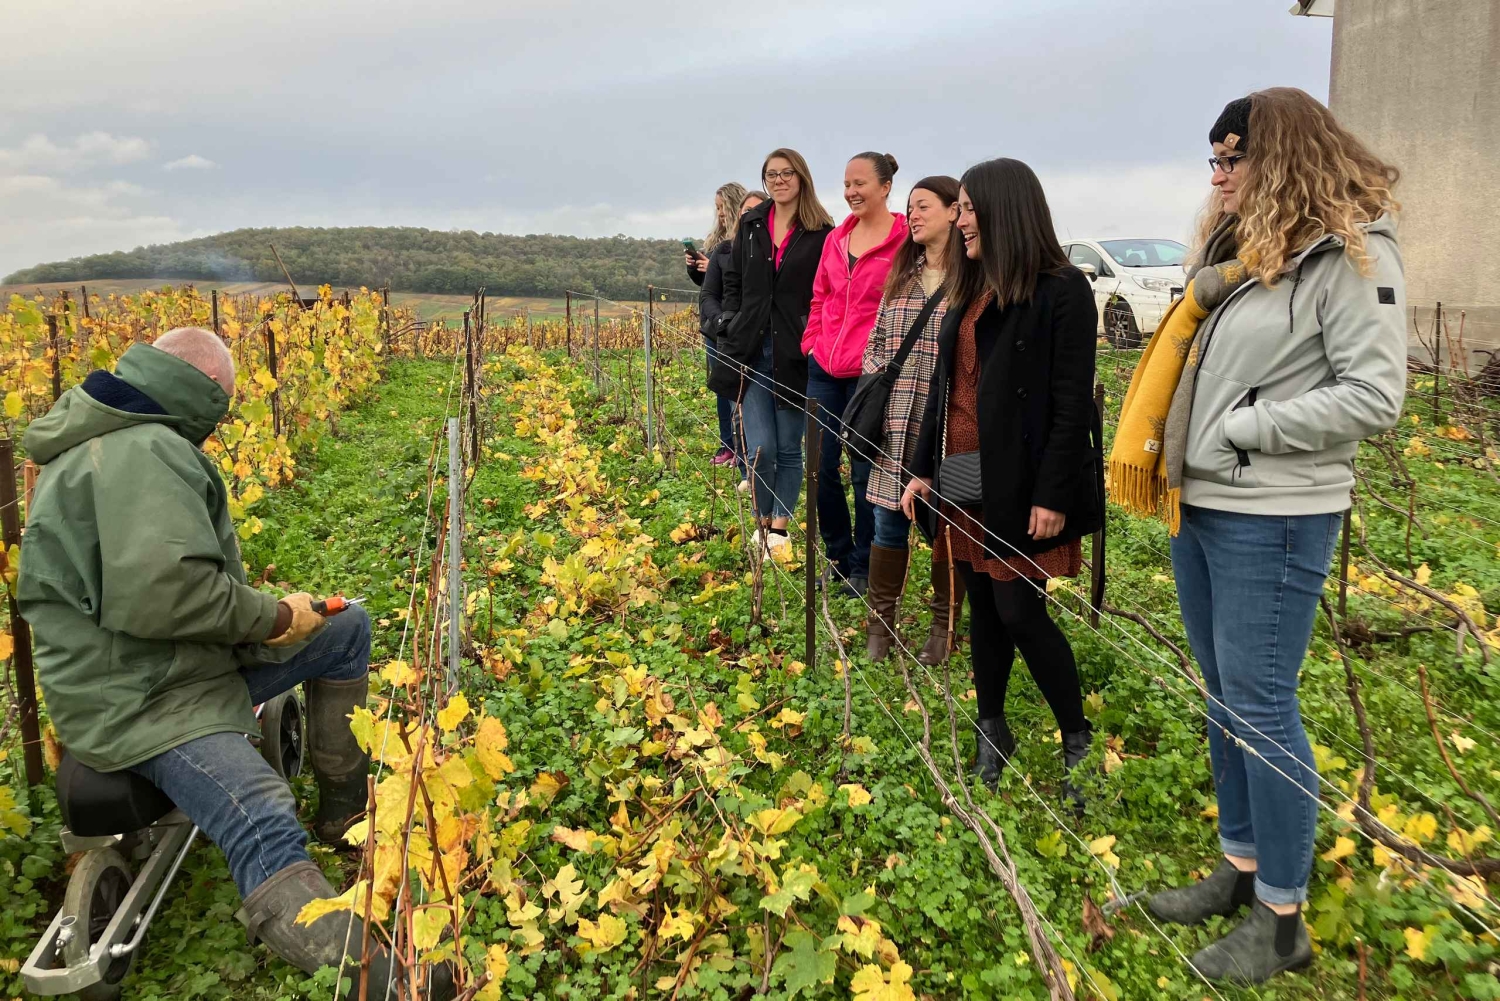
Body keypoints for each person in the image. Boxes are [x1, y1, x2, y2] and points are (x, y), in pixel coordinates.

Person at [16, 330, 451, 999]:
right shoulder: (145, 450)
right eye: (225, 406)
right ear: (204, 391)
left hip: (169, 665)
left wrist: (284, 616)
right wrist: (277, 617)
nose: (221, 427)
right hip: (145, 701)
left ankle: (343, 814)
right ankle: (385, 979)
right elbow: (175, 595)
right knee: (260, 811)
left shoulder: (119, 435)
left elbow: (162, 592)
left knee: (344, 629)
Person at [1119, 89, 1406, 985]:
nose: (1218, 177)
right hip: (1203, 503)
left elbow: (1374, 395)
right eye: (1212, 161)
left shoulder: (1347, 256)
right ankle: (1240, 865)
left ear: (1279, 160)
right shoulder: (1241, 259)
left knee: (1261, 705)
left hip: (1276, 513)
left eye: (1231, 160)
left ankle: (1282, 915)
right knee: (1224, 693)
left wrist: (1245, 427)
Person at [901, 159, 1101, 807]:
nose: (958, 221)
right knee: (982, 602)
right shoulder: (972, 286)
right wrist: (925, 469)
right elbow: (946, 387)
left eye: (966, 208)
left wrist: (1053, 492)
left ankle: (1077, 739)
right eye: (956, 209)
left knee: (1019, 606)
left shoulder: (1062, 289)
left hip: (1022, 477)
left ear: (1003, 209)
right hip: (963, 469)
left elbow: (1073, 405)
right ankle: (994, 729)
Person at [711, 148, 834, 554]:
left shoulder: (821, 232)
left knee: (787, 447)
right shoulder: (750, 224)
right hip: (753, 350)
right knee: (761, 447)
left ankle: (777, 530)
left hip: (795, 354)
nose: (779, 180)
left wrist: (813, 336)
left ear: (802, 177)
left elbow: (826, 291)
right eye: (771, 174)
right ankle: (762, 519)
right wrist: (730, 321)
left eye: (787, 173)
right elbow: (733, 282)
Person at [860, 175, 962, 662]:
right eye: (910, 207)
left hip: (946, 420)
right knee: (886, 521)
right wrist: (880, 380)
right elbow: (877, 340)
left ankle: (944, 627)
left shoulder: (975, 277)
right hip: (895, 420)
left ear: (952, 211)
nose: (913, 215)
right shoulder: (902, 273)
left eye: (923, 206)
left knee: (947, 525)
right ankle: (880, 626)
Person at [801, 152, 908, 597]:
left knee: (865, 470)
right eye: (846, 184)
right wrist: (812, 343)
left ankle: (865, 564)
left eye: (860, 183)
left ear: (885, 187)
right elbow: (820, 297)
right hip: (824, 368)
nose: (851, 192)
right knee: (821, 468)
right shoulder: (835, 239)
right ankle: (839, 557)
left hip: (870, 375)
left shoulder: (906, 240)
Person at [695, 183, 757, 467]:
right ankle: (731, 446)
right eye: (716, 208)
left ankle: (746, 452)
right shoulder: (719, 245)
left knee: (745, 393)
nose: (719, 213)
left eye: (722, 207)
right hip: (718, 325)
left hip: (744, 327)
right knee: (725, 388)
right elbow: (709, 289)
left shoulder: (753, 245)